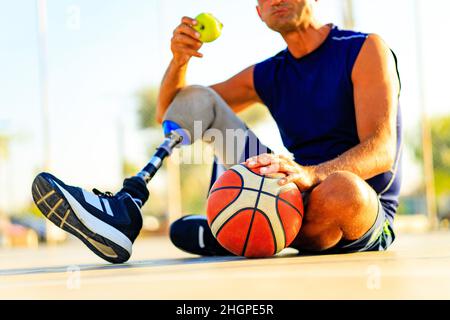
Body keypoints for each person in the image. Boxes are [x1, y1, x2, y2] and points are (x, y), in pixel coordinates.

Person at [32, 0, 401, 263]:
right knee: (200, 99)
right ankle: (126, 207)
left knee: (342, 190)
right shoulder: (269, 72)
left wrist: (312, 174)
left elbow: (382, 150)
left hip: (357, 207)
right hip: (292, 197)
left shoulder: (364, 48)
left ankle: (229, 231)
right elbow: (174, 112)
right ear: (259, 12)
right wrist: (179, 61)